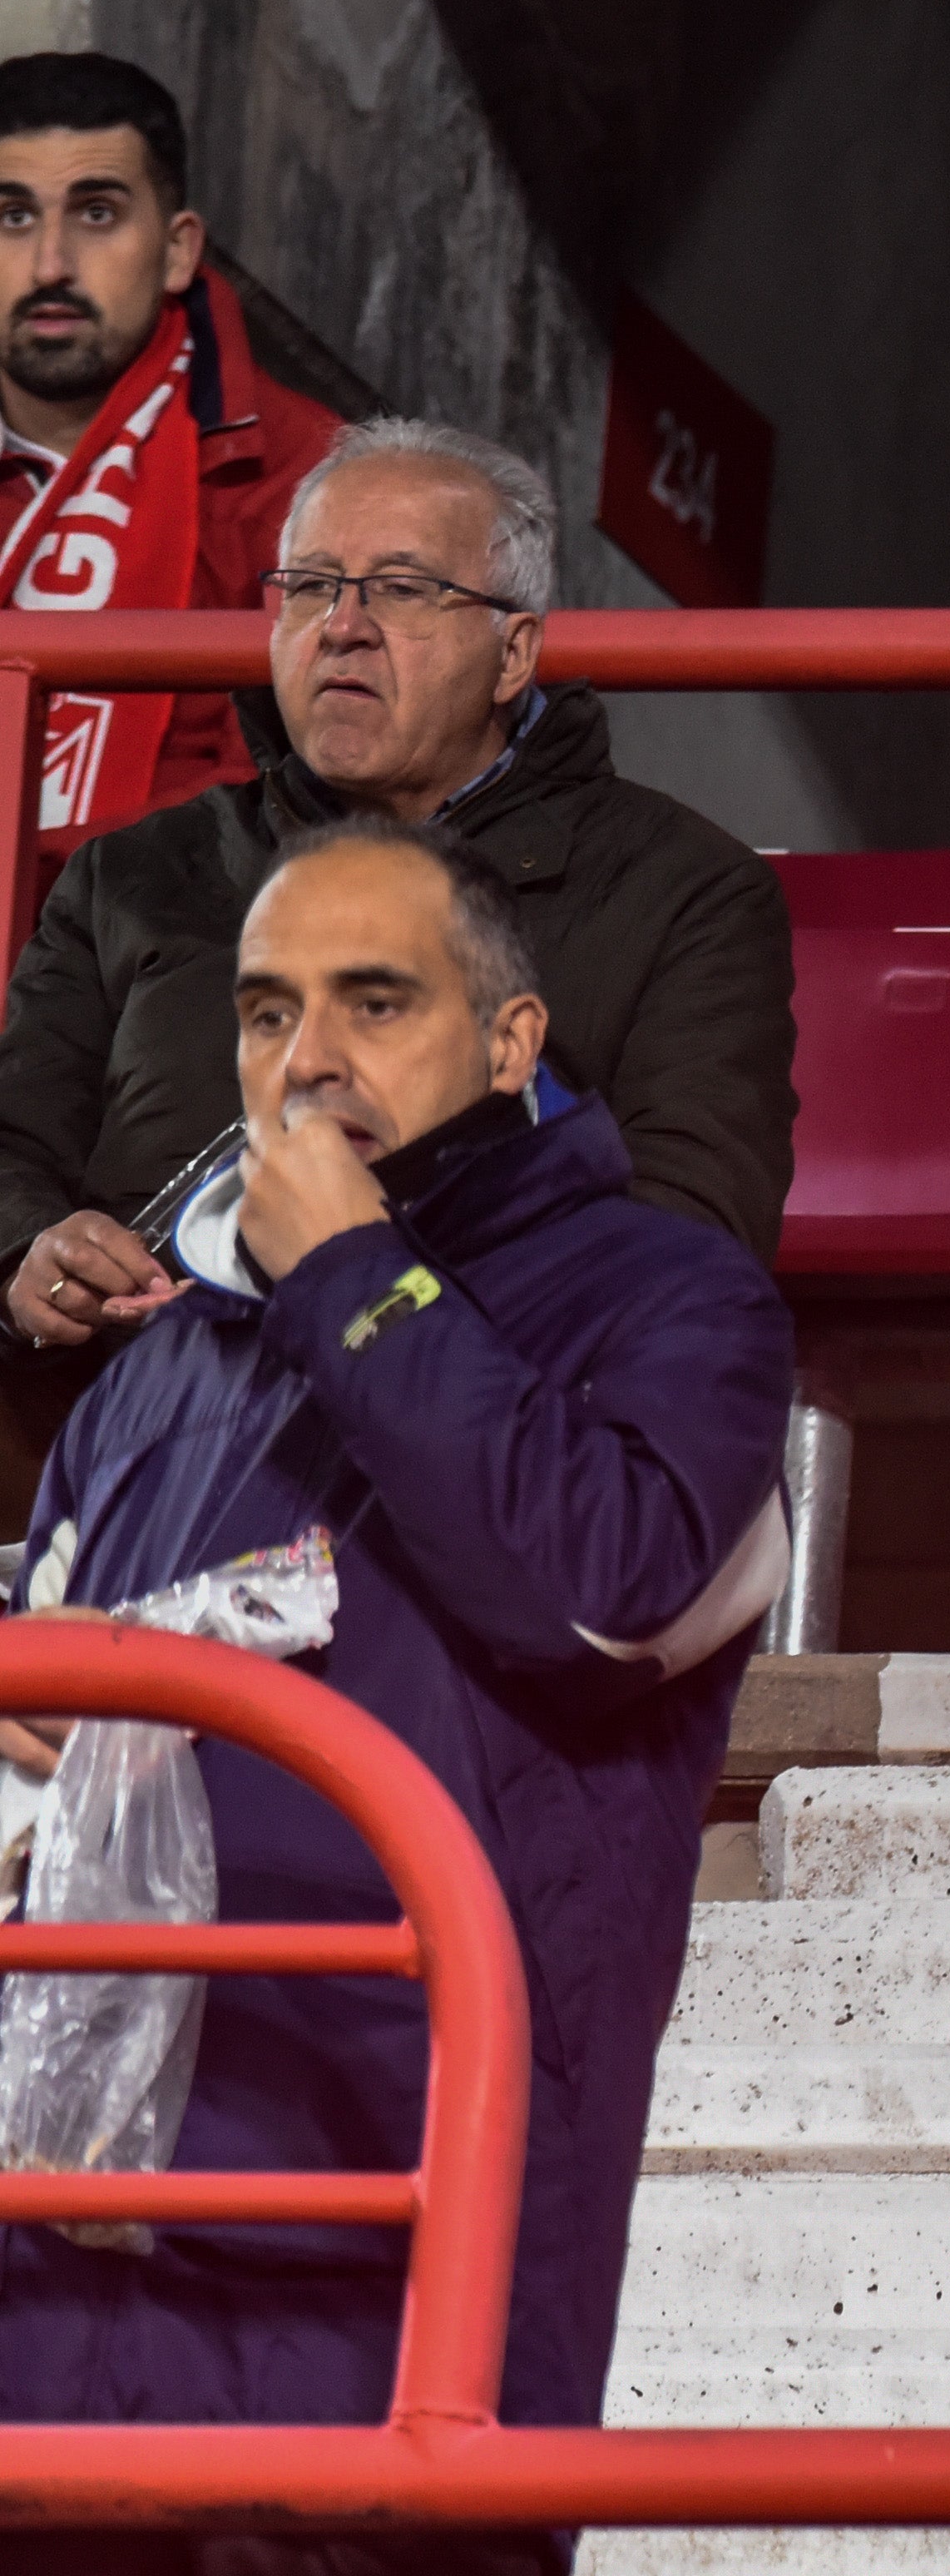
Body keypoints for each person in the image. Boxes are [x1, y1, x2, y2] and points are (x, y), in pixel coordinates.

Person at [0, 817, 794, 2532]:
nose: (308, 1060)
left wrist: (356, 1272)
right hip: (74, 2264)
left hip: (396, 2234)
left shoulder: (677, 1302)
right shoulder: (161, 1362)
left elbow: (599, 1595)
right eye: (268, 1010)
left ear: (510, 1043)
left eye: (375, 1002)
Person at [0, 424, 797, 1390]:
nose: (342, 625)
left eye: (404, 589)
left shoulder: (685, 893)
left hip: (461, 1431)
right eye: (310, 586)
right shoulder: (132, 872)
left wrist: (373, 1300)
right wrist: (32, 1252)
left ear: (513, 655)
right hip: (115, 1415)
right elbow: (13, 1143)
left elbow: (692, 1230)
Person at [0, 52, 349, 847]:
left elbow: (296, 802)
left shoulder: (313, 478)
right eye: (12, 216)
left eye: (97, 214)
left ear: (179, 249)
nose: (50, 264)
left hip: (156, 956)